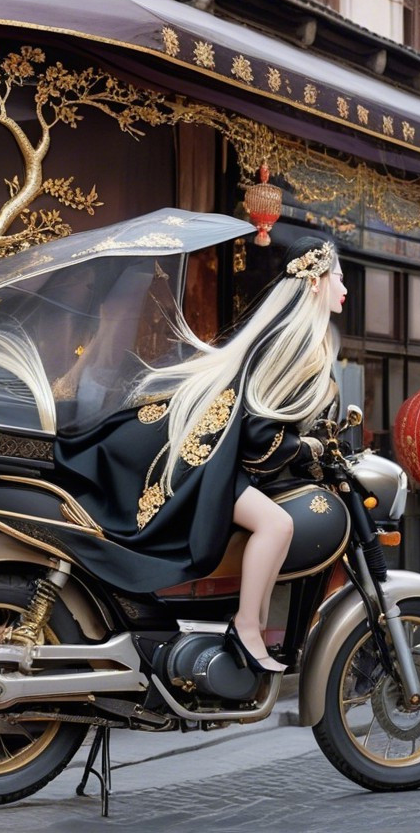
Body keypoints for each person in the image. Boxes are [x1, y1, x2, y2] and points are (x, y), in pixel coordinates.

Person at [128, 236, 346, 671]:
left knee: (274, 523)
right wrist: (308, 447)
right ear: (315, 281)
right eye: (338, 277)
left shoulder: (297, 338)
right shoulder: (295, 343)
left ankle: (252, 630)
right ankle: (246, 628)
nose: (344, 288)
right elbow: (258, 436)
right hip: (212, 461)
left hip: (216, 455)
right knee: (277, 524)